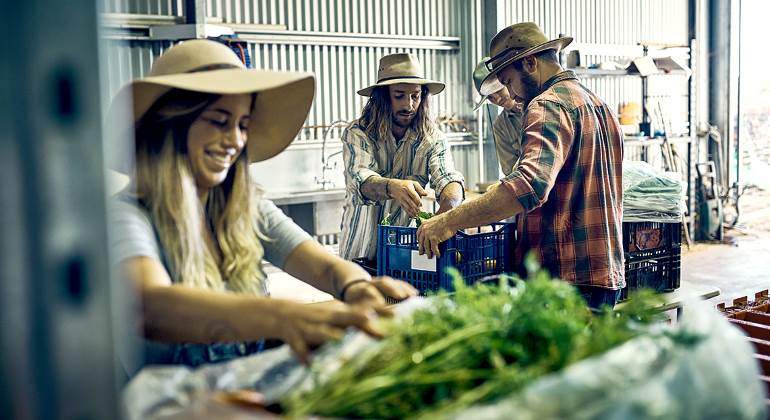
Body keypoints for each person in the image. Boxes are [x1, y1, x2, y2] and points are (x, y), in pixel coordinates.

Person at [106, 39, 417, 370]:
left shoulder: (244, 207)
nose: (236, 141)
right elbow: (150, 306)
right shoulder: (126, 216)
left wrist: (356, 286)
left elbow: (323, 266)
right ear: (172, 125)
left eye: (242, 125)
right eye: (218, 120)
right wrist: (283, 317)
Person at [417, 22, 625, 309]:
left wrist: (448, 221)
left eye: (508, 81)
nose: (511, 95)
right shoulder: (599, 106)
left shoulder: (547, 105)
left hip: (563, 278)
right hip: (603, 271)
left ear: (529, 63)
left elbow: (528, 186)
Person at [339, 53, 465, 262]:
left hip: (403, 255)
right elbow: (360, 180)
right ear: (382, 97)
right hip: (359, 253)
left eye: (415, 96)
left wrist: (445, 216)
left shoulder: (432, 138)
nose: (409, 105)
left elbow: (448, 177)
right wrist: (392, 187)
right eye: (399, 95)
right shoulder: (358, 133)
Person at [473, 58, 524, 176]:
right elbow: (510, 171)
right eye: (490, 97)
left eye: (498, 90)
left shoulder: (540, 105)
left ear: (508, 80)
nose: (497, 99)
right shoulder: (501, 126)